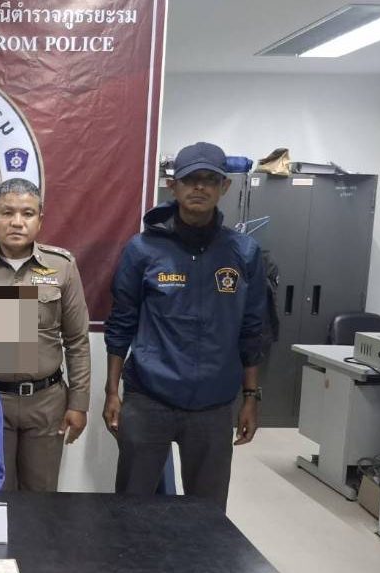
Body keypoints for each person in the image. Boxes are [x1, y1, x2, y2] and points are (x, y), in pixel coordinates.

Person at [103, 142, 267, 510]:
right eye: (191, 179)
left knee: (206, 516)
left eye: (210, 179)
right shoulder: (142, 250)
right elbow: (121, 324)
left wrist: (251, 397)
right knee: (131, 510)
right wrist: (112, 391)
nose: (200, 187)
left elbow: (253, 330)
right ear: (173, 185)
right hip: (149, 397)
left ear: (225, 187)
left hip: (214, 404)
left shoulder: (244, 252)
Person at [0, 179, 90, 492]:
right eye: (7, 213)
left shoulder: (62, 267)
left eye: (27, 213)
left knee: (41, 497)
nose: (16, 222)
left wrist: (79, 404)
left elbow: (77, 341)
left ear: (40, 220)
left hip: (46, 401)